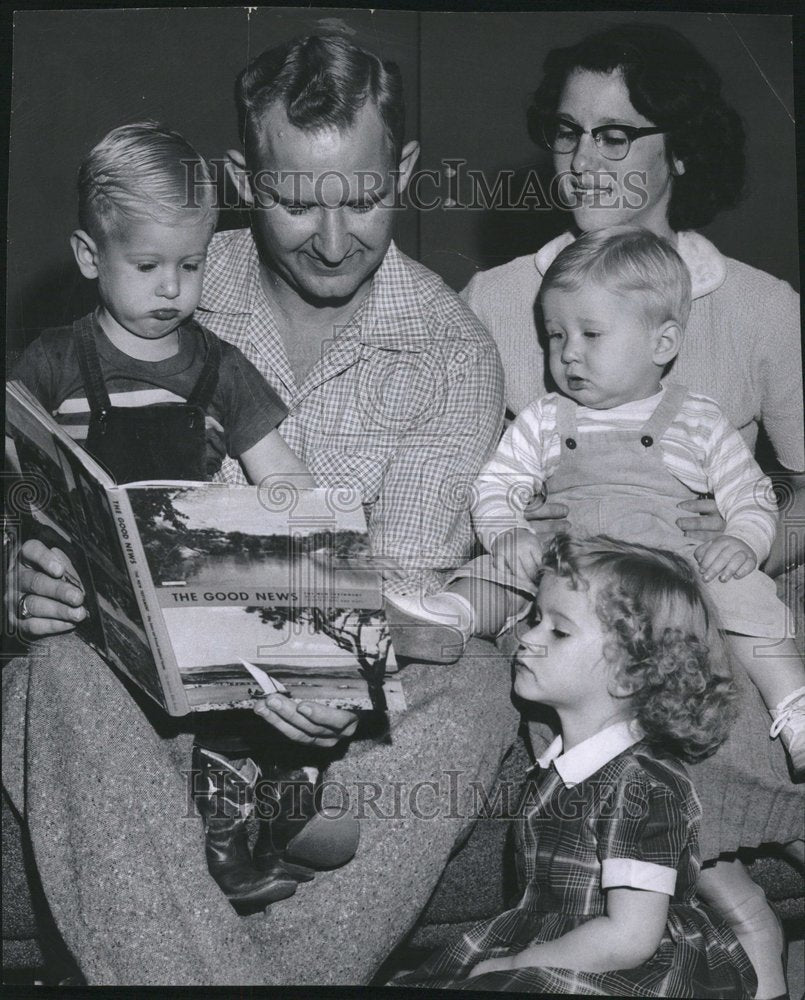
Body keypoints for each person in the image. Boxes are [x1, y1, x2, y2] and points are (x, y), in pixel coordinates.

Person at [3, 30, 512, 985]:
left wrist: (324, 673)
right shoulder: (165, 268)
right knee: (56, 674)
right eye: (294, 202)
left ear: (404, 170)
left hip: (322, 702)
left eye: (364, 199)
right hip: (131, 696)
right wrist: (20, 579)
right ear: (242, 179)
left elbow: (403, 583)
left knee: (479, 684)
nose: (333, 240)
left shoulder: (451, 354)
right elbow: (34, 478)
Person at [458, 23, 804, 999]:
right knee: (610, 679)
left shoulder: (759, 306)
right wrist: (513, 546)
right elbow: (477, 488)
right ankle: (724, 899)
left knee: (707, 667)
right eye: (568, 132)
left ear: (679, 151)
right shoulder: (497, 298)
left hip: (710, 582)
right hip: (566, 593)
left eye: (616, 135)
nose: (583, 159)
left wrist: (741, 550)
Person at [10, 120, 362, 916]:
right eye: (147, 267)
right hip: (87, 600)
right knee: (79, 687)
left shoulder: (219, 367)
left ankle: (252, 819)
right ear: (89, 256)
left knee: (243, 673)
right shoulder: (54, 361)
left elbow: (285, 480)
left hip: (186, 585)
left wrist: (309, 564)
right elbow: (15, 477)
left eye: (191, 265)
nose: (172, 288)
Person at [395, 228, 805, 772]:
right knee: (505, 568)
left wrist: (744, 540)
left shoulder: (698, 419)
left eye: (591, 334)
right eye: (556, 335)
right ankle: (453, 616)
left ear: (662, 343)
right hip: (572, 561)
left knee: (746, 595)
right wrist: (506, 530)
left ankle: (793, 704)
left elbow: (750, 492)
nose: (568, 353)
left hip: (669, 564)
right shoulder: (546, 417)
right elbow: (497, 483)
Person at [395, 534, 757, 997]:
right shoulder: (558, 766)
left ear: (630, 675)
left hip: (619, 963)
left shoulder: (641, 785)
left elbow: (630, 938)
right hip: (558, 941)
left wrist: (517, 962)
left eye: (558, 632)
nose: (527, 637)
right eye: (535, 619)